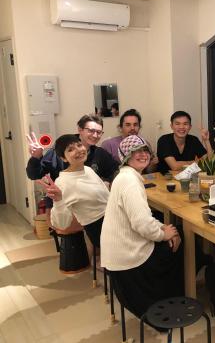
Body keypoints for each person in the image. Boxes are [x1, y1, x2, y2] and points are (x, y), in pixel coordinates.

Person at [100, 135, 183, 318]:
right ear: (125, 156)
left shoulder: (125, 176)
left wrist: (164, 228)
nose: (142, 154)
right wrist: (165, 234)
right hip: (128, 256)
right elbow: (142, 224)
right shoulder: (130, 182)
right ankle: (174, 303)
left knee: (175, 232)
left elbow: (144, 218)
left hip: (120, 250)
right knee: (180, 244)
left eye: (145, 150)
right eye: (135, 151)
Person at [37, 135, 109, 248]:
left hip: (111, 219)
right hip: (99, 229)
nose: (78, 150)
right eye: (70, 149)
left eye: (79, 145)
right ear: (64, 158)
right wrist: (58, 200)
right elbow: (61, 224)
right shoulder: (63, 182)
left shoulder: (88, 169)